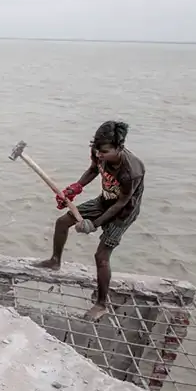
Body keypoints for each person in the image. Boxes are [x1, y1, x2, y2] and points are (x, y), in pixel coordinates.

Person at [36, 120, 145, 321]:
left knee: (101, 256)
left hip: (123, 212)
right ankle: (55, 261)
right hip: (104, 201)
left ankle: (101, 303)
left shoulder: (131, 171)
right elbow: (93, 170)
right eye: (96, 149)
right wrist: (75, 188)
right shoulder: (98, 152)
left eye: (104, 151)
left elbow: (121, 203)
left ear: (119, 147)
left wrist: (94, 224)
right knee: (62, 222)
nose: (99, 155)